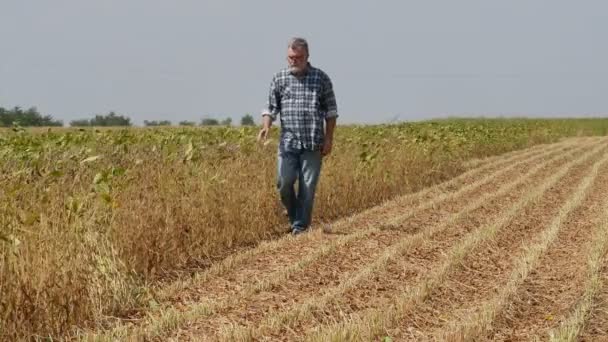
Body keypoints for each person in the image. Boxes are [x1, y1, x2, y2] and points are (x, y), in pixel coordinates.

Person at [257, 37, 338, 235]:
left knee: (307, 188)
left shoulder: (321, 78)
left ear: (307, 56)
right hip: (288, 143)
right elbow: (270, 108)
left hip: (313, 143)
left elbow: (331, 111)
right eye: (290, 57)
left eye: (298, 57)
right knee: (283, 182)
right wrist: (266, 127)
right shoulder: (279, 78)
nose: (294, 60)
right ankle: (295, 218)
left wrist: (329, 139)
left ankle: (300, 227)